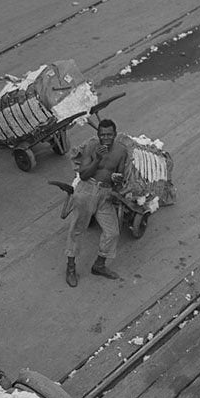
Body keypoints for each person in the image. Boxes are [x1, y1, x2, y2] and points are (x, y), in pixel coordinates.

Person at [62, 118, 129, 287]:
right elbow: (84, 175)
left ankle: (99, 265)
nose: (106, 138)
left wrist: (117, 180)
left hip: (105, 193)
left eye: (109, 134)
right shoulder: (92, 146)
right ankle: (70, 268)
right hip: (87, 190)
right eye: (102, 134)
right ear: (98, 135)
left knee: (112, 232)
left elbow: (119, 176)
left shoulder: (121, 150)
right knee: (77, 230)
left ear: (115, 134)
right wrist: (97, 159)